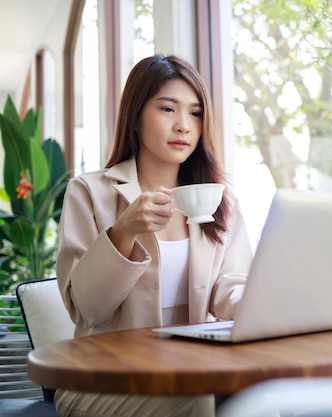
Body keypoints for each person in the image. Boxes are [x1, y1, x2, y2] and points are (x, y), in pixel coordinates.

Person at [54, 54, 253, 417]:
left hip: (194, 370)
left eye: (195, 113)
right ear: (134, 118)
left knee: (260, 396)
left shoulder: (220, 201)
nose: (183, 126)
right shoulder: (90, 192)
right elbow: (86, 309)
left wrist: (270, 309)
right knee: (199, 400)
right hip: (104, 377)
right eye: (167, 109)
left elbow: (230, 287)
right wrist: (123, 230)